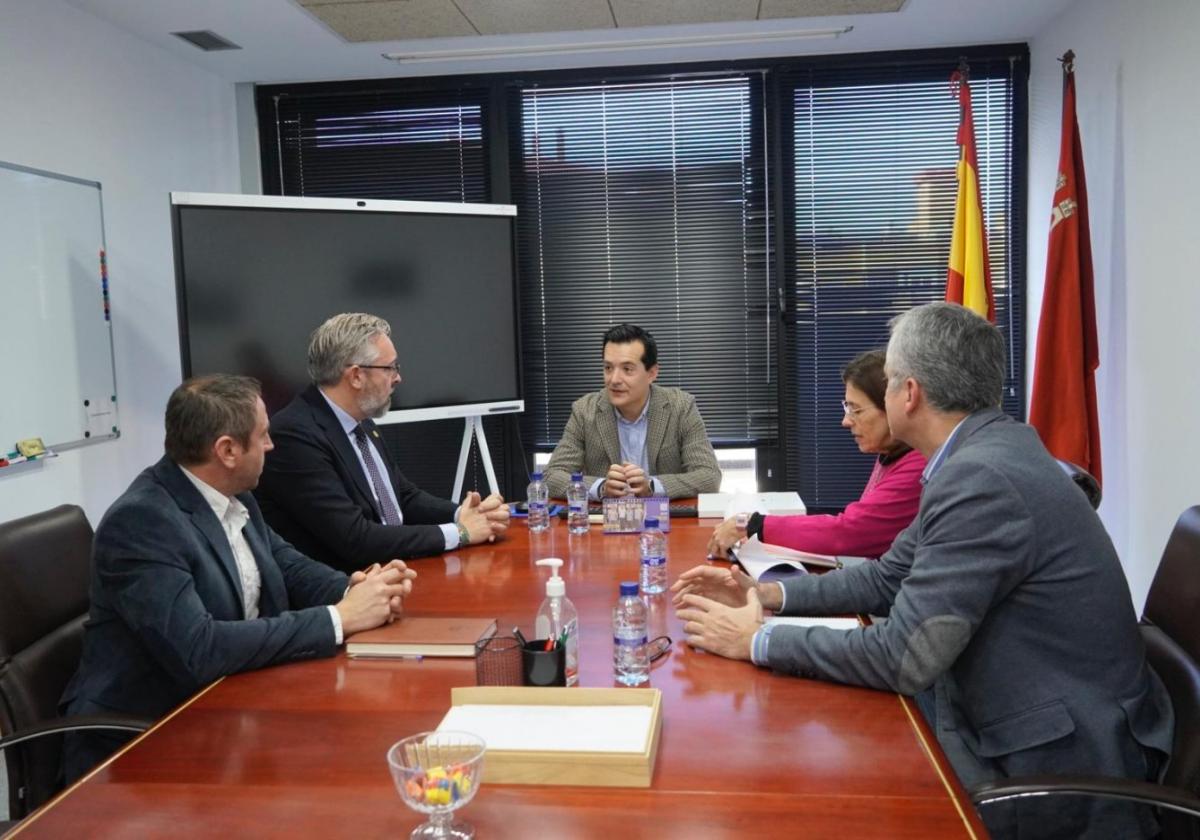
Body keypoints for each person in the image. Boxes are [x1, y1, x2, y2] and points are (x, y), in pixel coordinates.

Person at [671, 302, 1173, 839]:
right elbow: (888, 577)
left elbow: (904, 656)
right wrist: (767, 595)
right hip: (1010, 714)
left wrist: (758, 643)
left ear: (909, 393)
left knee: (824, 797)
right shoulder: (981, 454)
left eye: (886, 382)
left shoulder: (981, 479)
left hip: (1051, 762)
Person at [61, 375, 416, 781]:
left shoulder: (234, 493)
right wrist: (340, 618)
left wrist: (357, 588)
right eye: (263, 435)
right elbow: (200, 648)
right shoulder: (142, 523)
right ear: (227, 450)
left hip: (226, 704)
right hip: (142, 745)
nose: (271, 445)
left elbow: (287, 565)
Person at [256, 313, 509, 573]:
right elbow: (356, 538)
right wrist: (461, 532)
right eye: (390, 368)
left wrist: (465, 514)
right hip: (348, 589)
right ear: (356, 376)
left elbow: (403, 497)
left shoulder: (360, 420)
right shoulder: (295, 436)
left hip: (393, 570)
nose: (397, 378)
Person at [706, 350, 924, 558]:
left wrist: (753, 525)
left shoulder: (919, 466)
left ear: (894, 404)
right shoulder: (890, 451)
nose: (846, 421)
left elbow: (850, 532)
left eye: (855, 410)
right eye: (846, 408)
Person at [543, 323, 721, 500]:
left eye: (627, 369)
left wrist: (652, 486)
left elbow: (709, 476)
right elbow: (551, 477)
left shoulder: (681, 407)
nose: (614, 379)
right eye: (608, 368)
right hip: (605, 522)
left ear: (652, 373)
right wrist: (601, 487)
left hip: (666, 520)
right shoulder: (584, 411)